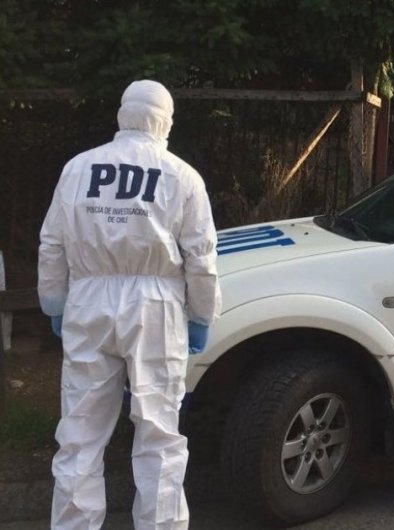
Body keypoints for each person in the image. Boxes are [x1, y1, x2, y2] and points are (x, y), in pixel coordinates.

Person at [37, 79, 221, 530]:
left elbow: (52, 244)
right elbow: (200, 258)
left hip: (88, 302)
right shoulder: (182, 175)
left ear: (123, 114)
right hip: (156, 308)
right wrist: (202, 314)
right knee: (159, 434)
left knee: (80, 433)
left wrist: (55, 303)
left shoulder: (79, 168)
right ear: (165, 121)